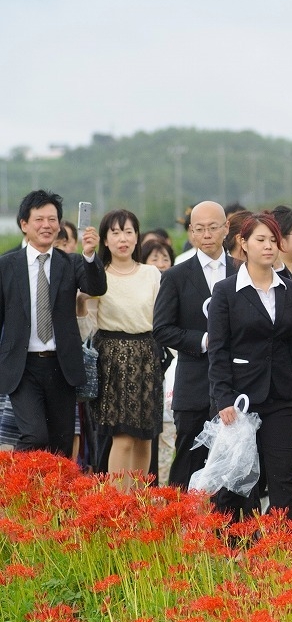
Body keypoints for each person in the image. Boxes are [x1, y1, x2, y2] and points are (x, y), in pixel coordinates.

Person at [207, 213, 292, 520]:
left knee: (284, 474)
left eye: (273, 240)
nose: (268, 247)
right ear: (243, 243)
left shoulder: (290, 290)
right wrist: (223, 397)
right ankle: (237, 548)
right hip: (240, 399)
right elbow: (218, 350)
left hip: (283, 396)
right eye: (260, 240)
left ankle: (287, 547)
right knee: (239, 478)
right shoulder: (226, 291)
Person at [0, 189, 106, 455]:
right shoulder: (7, 266)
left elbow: (96, 287)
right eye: (39, 219)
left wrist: (90, 255)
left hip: (61, 366)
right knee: (34, 435)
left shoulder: (70, 263)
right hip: (22, 368)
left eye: (52, 219)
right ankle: (17, 486)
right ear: (24, 224)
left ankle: (52, 496)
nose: (46, 225)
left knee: (60, 445)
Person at [153, 201, 234, 489]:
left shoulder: (242, 270)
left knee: (232, 461)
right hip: (193, 380)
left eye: (213, 227)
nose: (207, 234)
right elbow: (161, 328)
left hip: (236, 381)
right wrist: (203, 340)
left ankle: (227, 528)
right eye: (200, 229)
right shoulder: (176, 275)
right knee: (188, 455)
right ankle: (177, 523)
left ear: (226, 228)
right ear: (190, 232)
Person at [88, 209, 162, 488]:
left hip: (146, 354)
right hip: (113, 357)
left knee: (145, 436)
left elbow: (161, 319)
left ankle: (139, 503)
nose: (123, 238)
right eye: (116, 232)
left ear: (137, 237)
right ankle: (117, 504)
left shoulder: (151, 273)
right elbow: (88, 323)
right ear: (105, 240)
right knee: (122, 435)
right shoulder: (99, 276)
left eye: (128, 231)